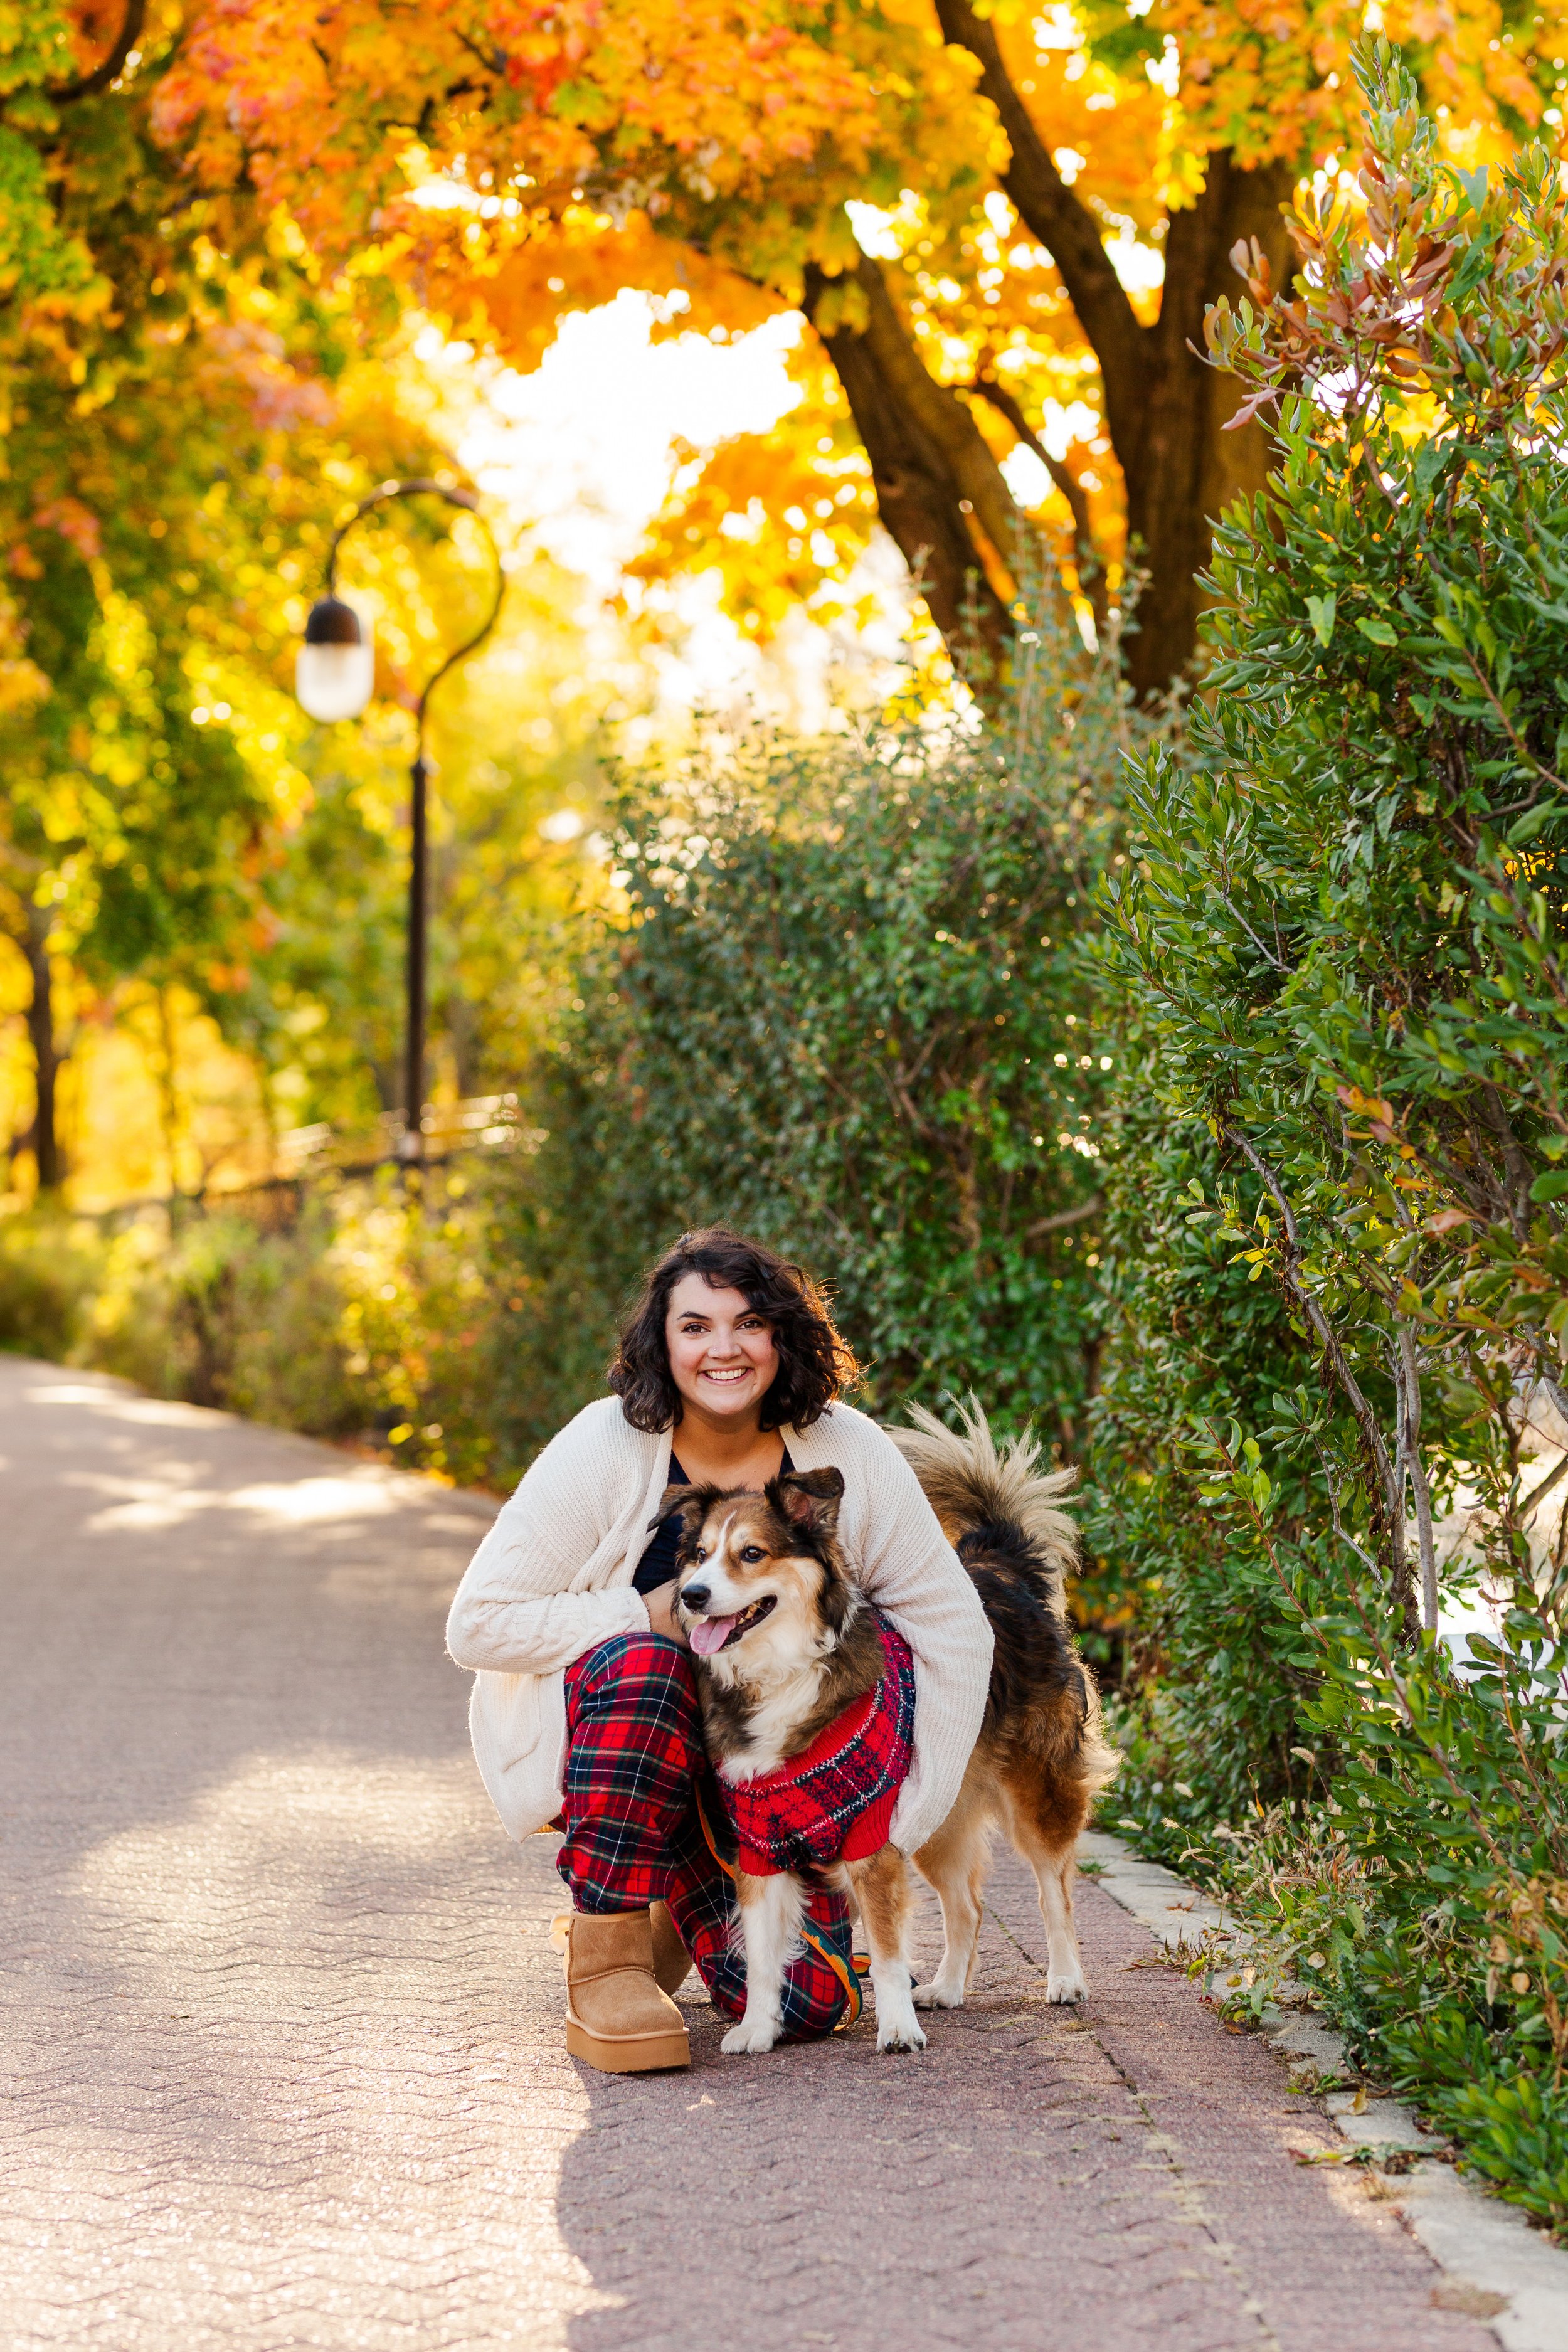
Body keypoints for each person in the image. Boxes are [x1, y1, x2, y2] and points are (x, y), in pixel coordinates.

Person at [445, 1227, 993, 2072]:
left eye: (748, 1323)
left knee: (812, 2004)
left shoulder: (845, 1449)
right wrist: (641, 1612)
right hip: (624, 1749)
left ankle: (665, 1896)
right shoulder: (605, 1445)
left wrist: (903, 1817)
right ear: (661, 1341)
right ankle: (611, 1951)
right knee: (647, 1665)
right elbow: (476, 1620)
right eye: (695, 1325)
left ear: (782, 1335)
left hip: (769, 1795)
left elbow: (955, 1625)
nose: (724, 1348)